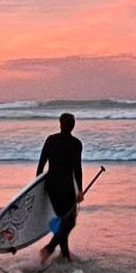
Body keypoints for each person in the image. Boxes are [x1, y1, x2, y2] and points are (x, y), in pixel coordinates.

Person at [36, 112, 83, 263]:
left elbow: (41, 165)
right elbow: (77, 168)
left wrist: (38, 187)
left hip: (52, 186)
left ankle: (65, 255)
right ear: (73, 125)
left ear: (60, 124)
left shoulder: (51, 140)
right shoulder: (76, 143)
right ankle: (49, 248)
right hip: (66, 187)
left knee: (63, 221)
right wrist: (80, 190)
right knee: (69, 222)